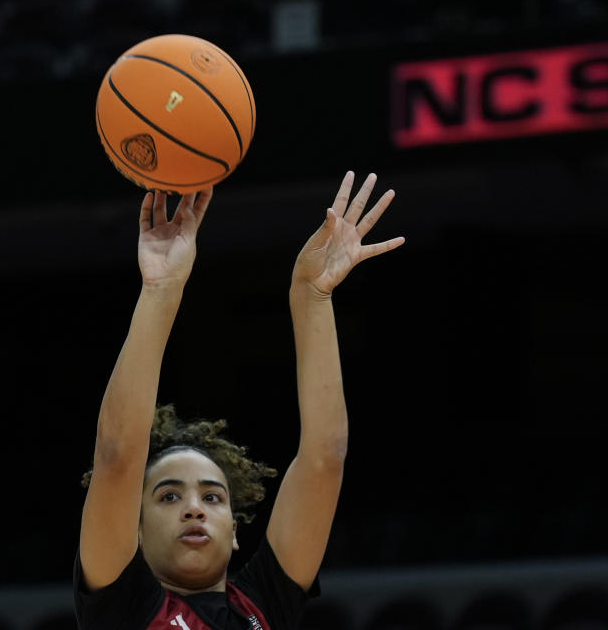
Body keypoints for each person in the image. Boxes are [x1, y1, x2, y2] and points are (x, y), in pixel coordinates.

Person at [74, 172, 404, 630]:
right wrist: (161, 289)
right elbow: (116, 456)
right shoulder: (122, 607)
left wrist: (312, 295)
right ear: (135, 530)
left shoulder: (262, 604)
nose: (195, 508)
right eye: (169, 496)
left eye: (213, 497)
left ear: (234, 531)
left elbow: (325, 457)